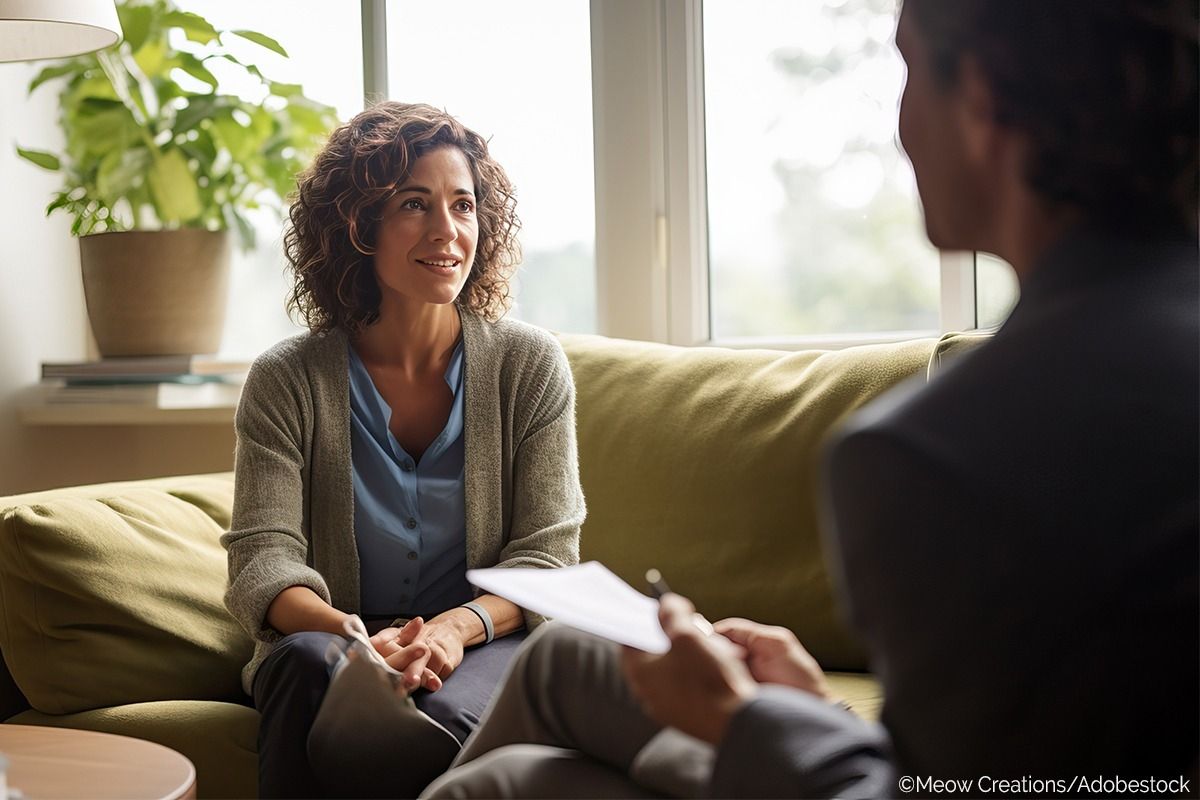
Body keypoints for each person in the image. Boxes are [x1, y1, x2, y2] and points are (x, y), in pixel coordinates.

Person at [420, 1, 1199, 797]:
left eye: (906, 71)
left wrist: (740, 718)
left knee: (504, 785)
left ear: (980, 98)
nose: (900, 124)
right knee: (548, 702)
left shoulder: (937, 455)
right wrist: (815, 709)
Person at [221, 101, 585, 799]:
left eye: (463, 206)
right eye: (414, 205)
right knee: (306, 669)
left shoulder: (529, 366)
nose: (447, 231)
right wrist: (353, 636)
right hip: (329, 638)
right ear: (358, 225)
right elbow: (262, 560)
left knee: (441, 716)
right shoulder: (285, 378)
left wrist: (452, 629)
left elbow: (547, 559)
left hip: (483, 640)